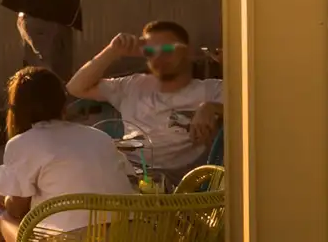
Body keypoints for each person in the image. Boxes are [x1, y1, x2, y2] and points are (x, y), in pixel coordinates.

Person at [66, 20, 224, 187]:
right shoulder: (132, 85)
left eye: (168, 49)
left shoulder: (209, 89)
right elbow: (75, 88)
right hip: (126, 171)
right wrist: (112, 51)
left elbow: (250, 106)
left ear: (187, 51)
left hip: (177, 181)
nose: (159, 57)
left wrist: (212, 107)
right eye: (150, 51)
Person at [0, 67, 134, 241]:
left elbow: (17, 209)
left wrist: (5, 197)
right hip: (129, 232)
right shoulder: (100, 136)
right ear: (62, 103)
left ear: (17, 110)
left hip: (73, 238)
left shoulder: (22, 143)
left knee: (5, 219)